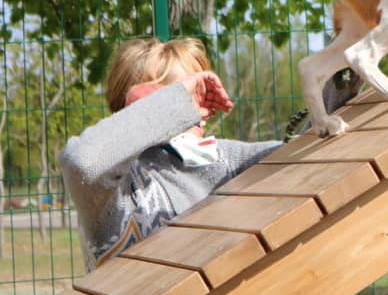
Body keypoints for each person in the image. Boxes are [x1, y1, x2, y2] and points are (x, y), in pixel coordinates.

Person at [59, 37, 281, 271]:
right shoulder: (120, 188)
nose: (195, 109)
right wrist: (172, 107)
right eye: (184, 95)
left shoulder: (224, 158)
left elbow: (303, 153)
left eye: (202, 93)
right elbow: (82, 164)